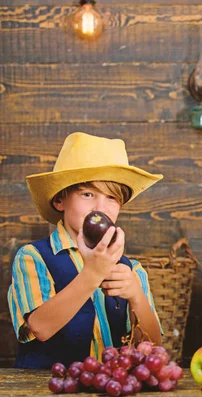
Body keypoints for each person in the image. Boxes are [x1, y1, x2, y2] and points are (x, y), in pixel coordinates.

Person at [8, 132, 164, 368]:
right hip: (47, 388)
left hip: (108, 387)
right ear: (60, 200)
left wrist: (136, 296)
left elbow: (154, 345)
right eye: (87, 194)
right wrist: (92, 275)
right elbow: (39, 327)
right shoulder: (33, 257)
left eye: (111, 197)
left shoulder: (131, 270)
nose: (100, 208)